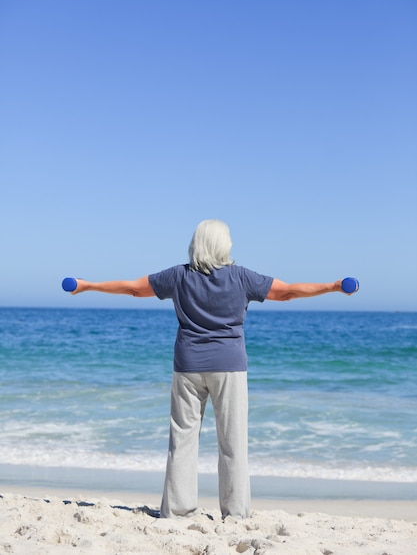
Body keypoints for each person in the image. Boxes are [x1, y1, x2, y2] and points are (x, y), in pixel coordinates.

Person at [70, 219, 353, 519]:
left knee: (182, 440)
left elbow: (134, 290)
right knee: (232, 442)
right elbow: (287, 292)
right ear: (225, 244)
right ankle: (235, 513)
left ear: (196, 243)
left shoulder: (178, 275)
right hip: (229, 367)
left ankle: (178, 511)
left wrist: (88, 285)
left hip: (188, 366)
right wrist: (332, 287)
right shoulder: (242, 277)